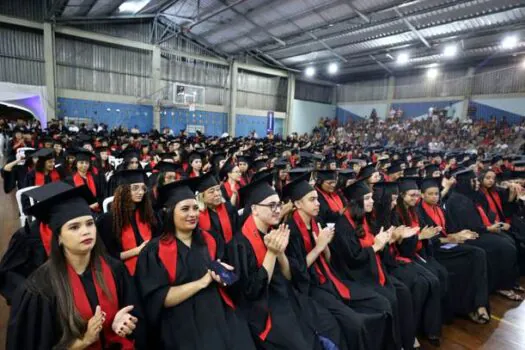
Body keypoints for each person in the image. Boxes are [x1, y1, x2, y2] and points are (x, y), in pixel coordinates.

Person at [7, 183, 146, 349]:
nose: (85, 231)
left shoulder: (115, 270)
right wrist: (84, 341)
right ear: (58, 237)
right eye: (74, 227)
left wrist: (124, 322)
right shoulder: (41, 289)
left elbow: (136, 315)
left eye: (89, 224)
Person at [135, 179, 256, 350]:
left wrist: (224, 277)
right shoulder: (154, 251)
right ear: (169, 212)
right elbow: (159, 299)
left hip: (218, 310)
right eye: (185, 209)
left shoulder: (212, 240)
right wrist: (202, 282)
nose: (193, 214)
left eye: (195, 208)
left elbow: (229, 280)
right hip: (180, 319)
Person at [231, 174, 343, 349]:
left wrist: (281, 252)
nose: (277, 209)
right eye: (271, 205)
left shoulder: (275, 232)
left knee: (329, 325)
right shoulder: (239, 244)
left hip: (287, 294)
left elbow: (289, 275)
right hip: (265, 307)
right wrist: (271, 253)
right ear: (254, 209)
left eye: (278, 204)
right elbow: (252, 292)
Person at [283, 174, 393, 350]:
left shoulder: (316, 221)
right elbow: (296, 273)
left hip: (330, 278)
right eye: (312, 200)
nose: (318, 203)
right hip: (311, 288)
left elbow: (327, 259)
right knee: (355, 324)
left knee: (382, 303)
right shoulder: (290, 230)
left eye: (317, 199)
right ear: (297, 204)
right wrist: (319, 247)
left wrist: (325, 246)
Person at [330, 179, 418, 350]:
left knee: (403, 292)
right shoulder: (343, 225)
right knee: (390, 299)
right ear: (356, 201)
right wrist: (377, 246)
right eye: (368, 198)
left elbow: (373, 247)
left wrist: (387, 240)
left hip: (373, 269)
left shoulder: (362, 218)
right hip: (356, 276)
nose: (372, 201)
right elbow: (352, 259)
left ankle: (405, 339)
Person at [416, 178, 490, 323]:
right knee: (471, 259)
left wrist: (459, 234)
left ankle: (480, 304)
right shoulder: (419, 213)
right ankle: (470, 307)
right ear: (422, 194)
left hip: (446, 248)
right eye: (430, 194)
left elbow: (448, 230)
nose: (434, 197)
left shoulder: (439, 209)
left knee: (478, 254)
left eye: (437, 194)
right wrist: (450, 238)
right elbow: (428, 240)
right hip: (433, 252)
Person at [445, 169, 522, 300]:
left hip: (480, 231)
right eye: (473, 180)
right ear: (464, 182)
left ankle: (509, 282)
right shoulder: (457, 200)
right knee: (505, 247)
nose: (476, 183)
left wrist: (491, 226)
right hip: (469, 236)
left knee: (509, 240)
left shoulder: (469, 195)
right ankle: (502, 286)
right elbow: (468, 226)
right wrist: (488, 228)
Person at [97, 170, 159, 276]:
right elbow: (107, 256)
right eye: (135, 188)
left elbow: (159, 237)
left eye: (143, 188)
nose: (140, 192)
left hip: (152, 266)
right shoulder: (108, 220)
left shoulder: (148, 214)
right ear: (123, 190)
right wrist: (137, 251)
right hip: (124, 273)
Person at [196, 173, 239, 255]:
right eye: (211, 192)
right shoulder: (198, 216)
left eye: (218, 189)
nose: (217, 194)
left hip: (234, 252)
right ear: (202, 196)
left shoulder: (229, 208)